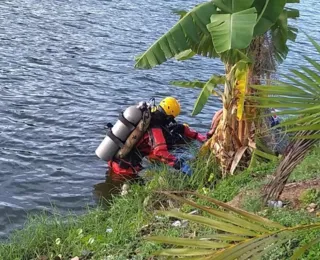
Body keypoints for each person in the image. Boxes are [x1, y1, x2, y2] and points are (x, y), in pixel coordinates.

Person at [107, 97, 206, 176]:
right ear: (169, 117)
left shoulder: (148, 117)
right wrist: (179, 164)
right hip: (125, 168)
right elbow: (160, 151)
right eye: (172, 119)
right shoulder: (155, 127)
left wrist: (196, 135)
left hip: (115, 158)